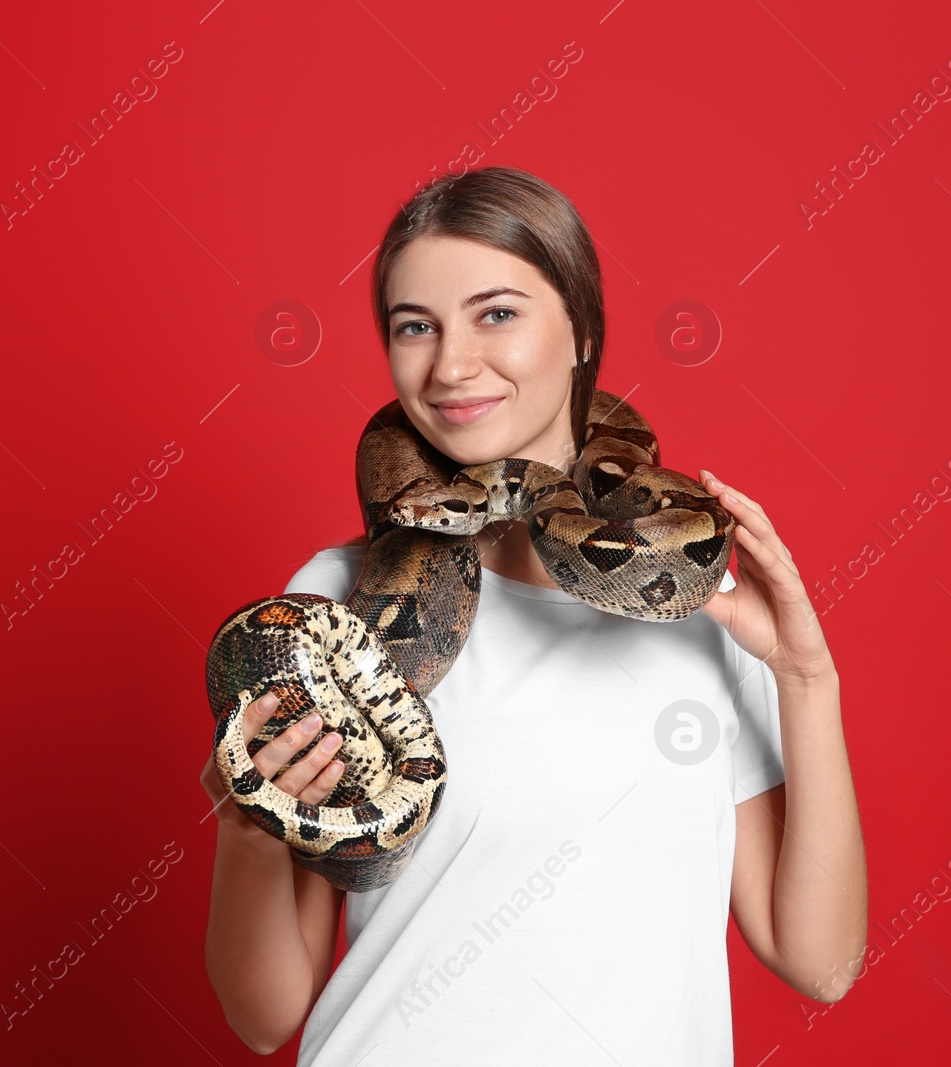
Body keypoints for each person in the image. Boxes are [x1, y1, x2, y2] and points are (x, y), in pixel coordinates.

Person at [200, 166, 866, 1063]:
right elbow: (264, 1015)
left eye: (497, 313)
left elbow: (819, 962)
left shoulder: (708, 615)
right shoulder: (334, 605)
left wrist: (804, 678)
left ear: (583, 330)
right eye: (414, 326)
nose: (451, 365)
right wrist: (250, 816)